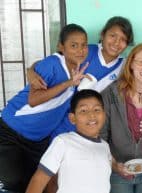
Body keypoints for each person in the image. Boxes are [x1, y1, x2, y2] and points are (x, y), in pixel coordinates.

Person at [0, 23, 88, 193]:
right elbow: (34, 100)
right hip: (11, 131)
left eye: (84, 45)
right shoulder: (53, 63)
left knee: (39, 184)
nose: (80, 50)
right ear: (61, 46)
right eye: (73, 45)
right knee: (13, 182)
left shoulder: (79, 66)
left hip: (38, 140)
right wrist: (69, 83)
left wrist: (31, 68)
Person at [100, 42, 142, 193]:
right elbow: (101, 136)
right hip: (118, 171)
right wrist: (113, 165)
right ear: (130, 63)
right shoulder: (112, 94)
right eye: (141, 61)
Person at [25, 89, 111, 193]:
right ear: (72, 118)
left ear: (104, 115)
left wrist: (120, 168)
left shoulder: (105, 146)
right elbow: (38, 180)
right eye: (83, 111)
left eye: (97, 109)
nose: (91, 115)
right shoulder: (63, 142)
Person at [28, 16, 134, 92]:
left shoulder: (124, 66)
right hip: (61, 111)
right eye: (112, 35)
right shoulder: (84, 50)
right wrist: (31, 72)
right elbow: (54, 61)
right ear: (103, 35)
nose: (116, 42)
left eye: (123, 39)